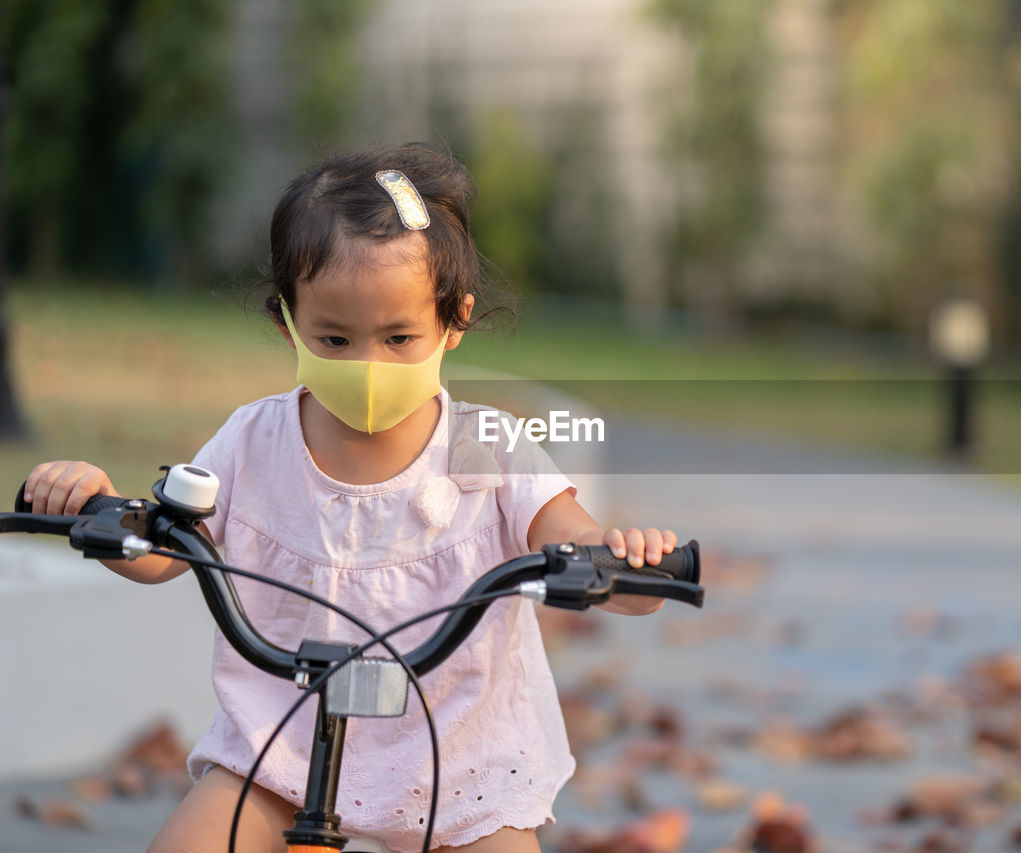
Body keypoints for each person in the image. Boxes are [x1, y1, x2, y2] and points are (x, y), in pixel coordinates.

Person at [24, 143, 677, 853]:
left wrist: (627, 566)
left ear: (453, 321)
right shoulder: (252, 441)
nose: (368, 366)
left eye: (399, 337)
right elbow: (167, 553)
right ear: (287, 323)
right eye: (334, 338)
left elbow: (577, 544)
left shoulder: (489, 446)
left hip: (459, 760)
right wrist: (95, 502)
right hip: (282, 751)